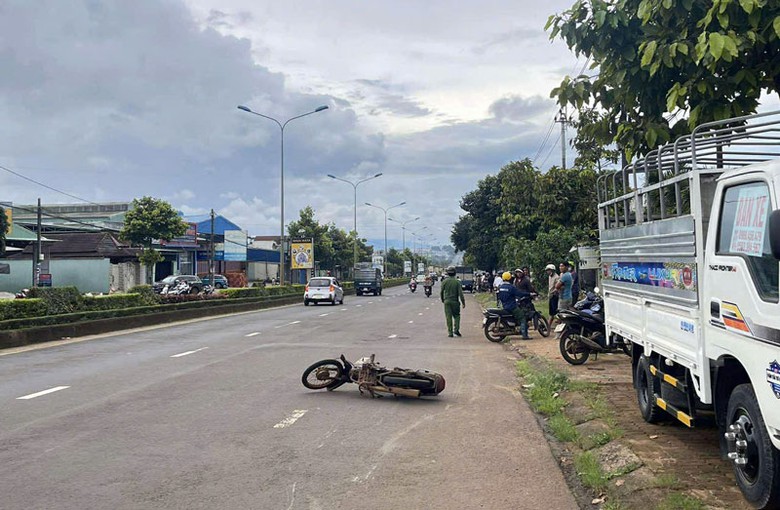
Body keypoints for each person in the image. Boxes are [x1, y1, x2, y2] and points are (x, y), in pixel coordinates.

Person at [497, 271, 533, 340]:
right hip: (512, 307)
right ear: (509, 278)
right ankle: (524, 335)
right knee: (522, 317)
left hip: (504, 306)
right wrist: (529, 294)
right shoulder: (511, 287)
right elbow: (519, 293)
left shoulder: (501, 287)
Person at [440, 265, 466, 337]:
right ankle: (456, 330)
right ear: (455, 273)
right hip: (455, 301)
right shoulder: (457, 282)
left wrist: (443, 300)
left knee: (448, 317)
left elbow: (441, 292)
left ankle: (450, 332)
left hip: (447, 301)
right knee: (457, 316)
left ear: (447, 273)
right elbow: (460, 293)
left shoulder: (444, 282)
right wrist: (463, 302)